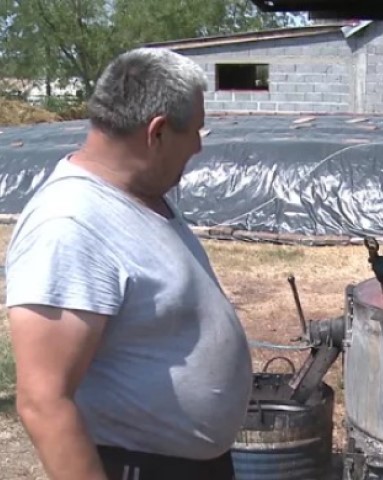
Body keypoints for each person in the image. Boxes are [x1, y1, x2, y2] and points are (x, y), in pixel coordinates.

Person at [6, 47, 253, 480]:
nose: (198, 146)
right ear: (156, 133)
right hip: (136, 468)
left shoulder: (141, 195)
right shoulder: (71, 224)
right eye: (195, 131)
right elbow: (44, 402)